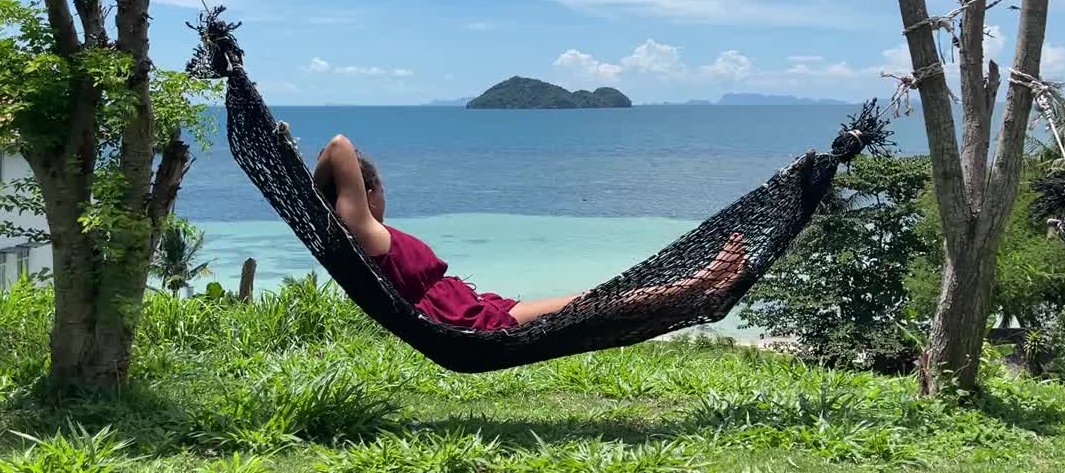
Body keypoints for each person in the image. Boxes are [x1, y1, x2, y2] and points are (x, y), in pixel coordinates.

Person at [313, 134, 751, 331]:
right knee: (597, 303)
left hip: (475, 309)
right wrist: (319, 186)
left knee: (596, 302)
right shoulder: (369, 235)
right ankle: (700, 284)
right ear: (365, 194)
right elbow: (338, 146)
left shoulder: (364, 239)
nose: (386, 198)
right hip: (472, 323)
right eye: (382, 188)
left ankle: (699, 286)